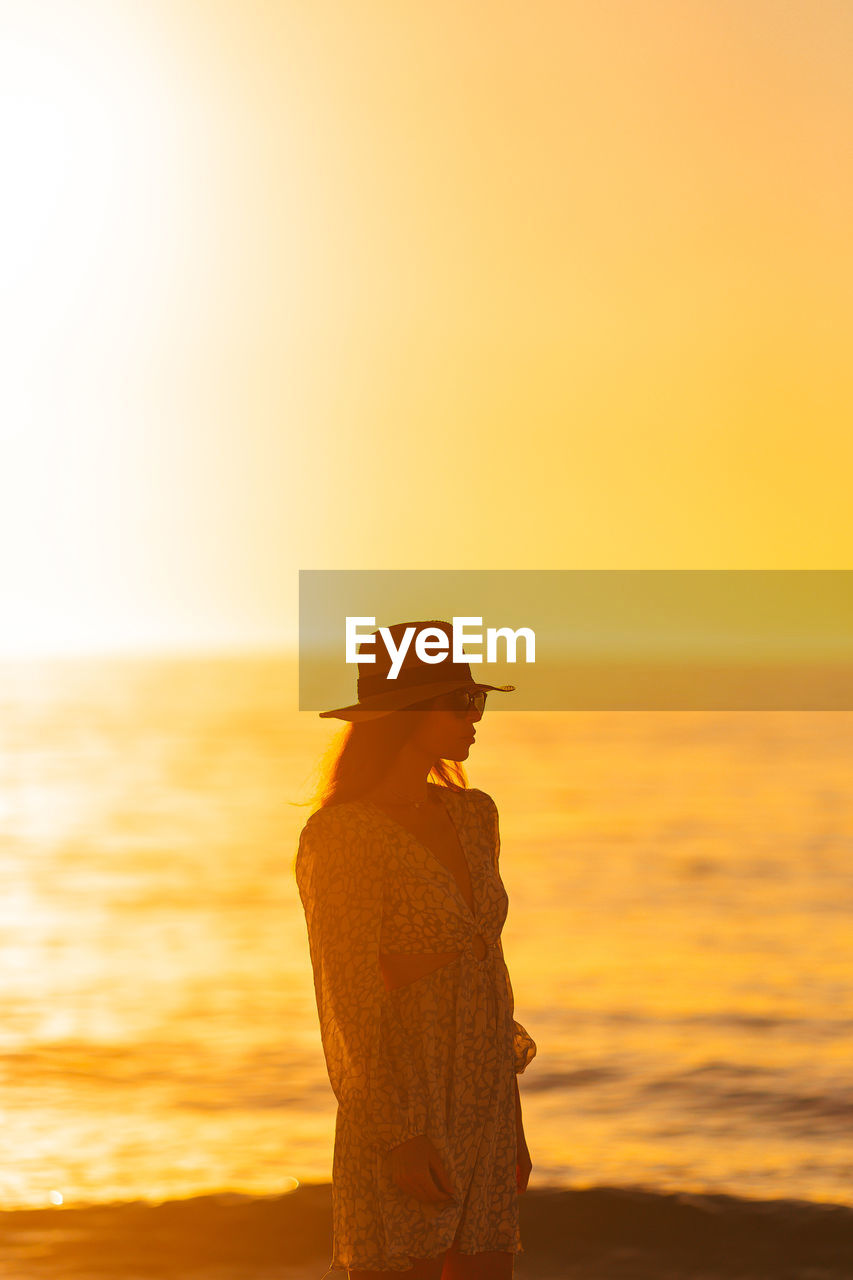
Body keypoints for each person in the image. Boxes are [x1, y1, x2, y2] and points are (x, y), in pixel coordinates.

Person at [294, 620, 537, 1278]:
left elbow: (489, 972)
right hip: (401, 1093)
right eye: (460, 701)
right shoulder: (342, 836)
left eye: (476, 699)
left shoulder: (472, 815)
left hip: (483, 1092)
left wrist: (509, 1122)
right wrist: (400, 1130)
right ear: (405, 715)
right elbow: (346, 992)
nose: (476, 716)